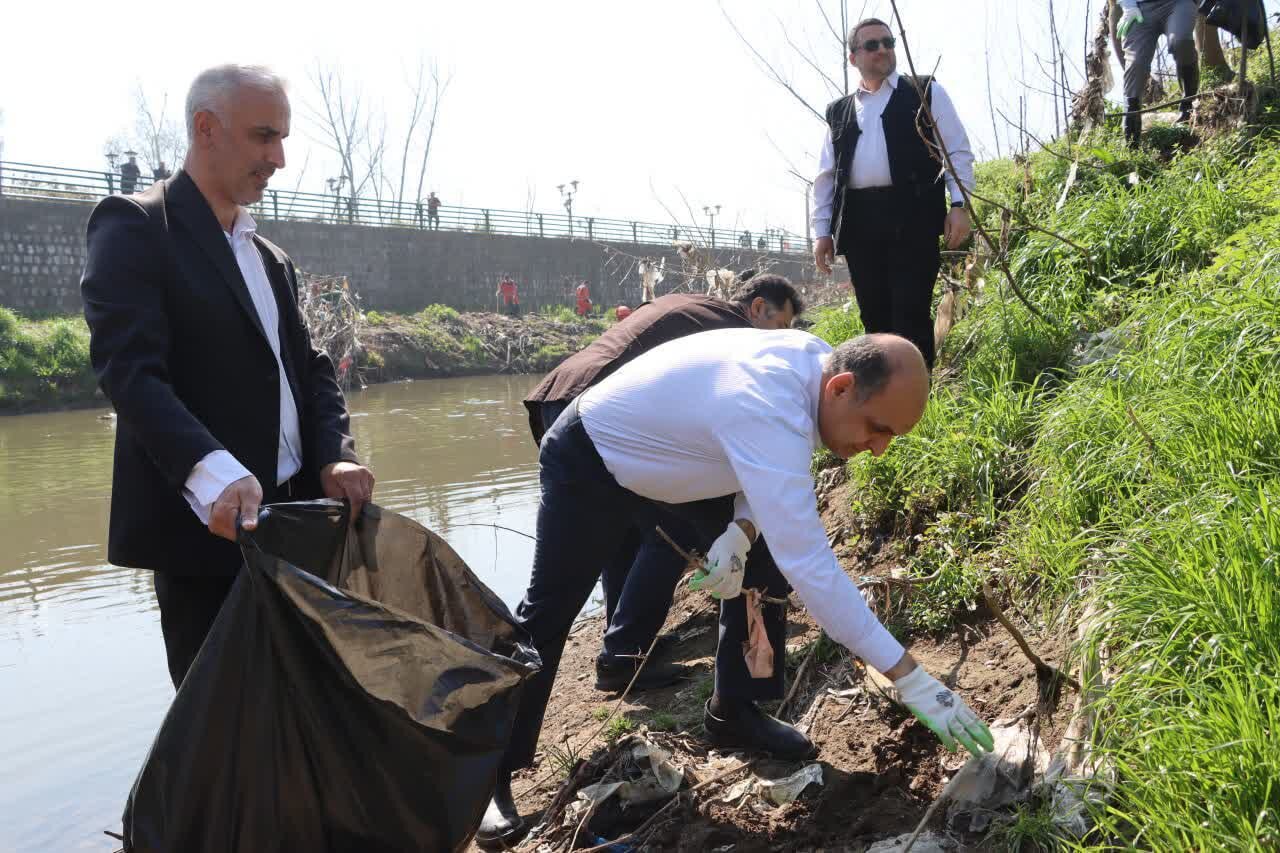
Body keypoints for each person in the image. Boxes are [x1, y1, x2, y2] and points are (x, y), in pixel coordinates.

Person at [478, 331, 994, 847]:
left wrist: (741, 533)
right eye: (877, 429)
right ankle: (487, 776)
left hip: (684, 461)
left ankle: (734, 710)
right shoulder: (769, 402)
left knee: (763, 558)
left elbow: (760, 466)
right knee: (547, 614)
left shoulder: (811, 374)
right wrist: (908, 676)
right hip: (593, 455)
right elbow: (811, 564)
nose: (879, 450)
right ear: (840, 388)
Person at [80, 64, 376, 691]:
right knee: (222, 724)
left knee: (308, 700)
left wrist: (336, 457)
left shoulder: (270, 258)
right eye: (264, 137)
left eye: (283, 140)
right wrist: (213, 474)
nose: (279, 159)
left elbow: (312, 371)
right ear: (206, 128)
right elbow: (129, 372)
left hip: (298, 517)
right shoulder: (135, 226)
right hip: (207, 530)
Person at [521, 276, 803, 693]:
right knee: (672, 529)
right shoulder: (735, 337)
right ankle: (623, 652)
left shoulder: (691, 304)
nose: (779, 343)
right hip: (600, 412)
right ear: (759, 308)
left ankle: (624, 653)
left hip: (566, 401)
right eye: (781, 328)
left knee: (626, 529)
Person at [812, 17, 975, 371]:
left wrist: (960, 204)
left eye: (888, 42)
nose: (883, 49)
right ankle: (882, 405)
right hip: (860, 223)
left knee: (910, 310)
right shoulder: (839, 111)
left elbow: (957, 152)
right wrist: (822, 231)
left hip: (913, 217)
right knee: (874, 316)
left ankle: (917, 401)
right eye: (872, 45)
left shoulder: (925, 91)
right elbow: (827, 175)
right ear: (853, 57)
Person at [1115, 0, 1199, 146]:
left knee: (1180, 43)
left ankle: (1188, 108)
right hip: (1139, 8)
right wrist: (1128, 6)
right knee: (1136, 64)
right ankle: (1131, 140)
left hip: (1177, 4)